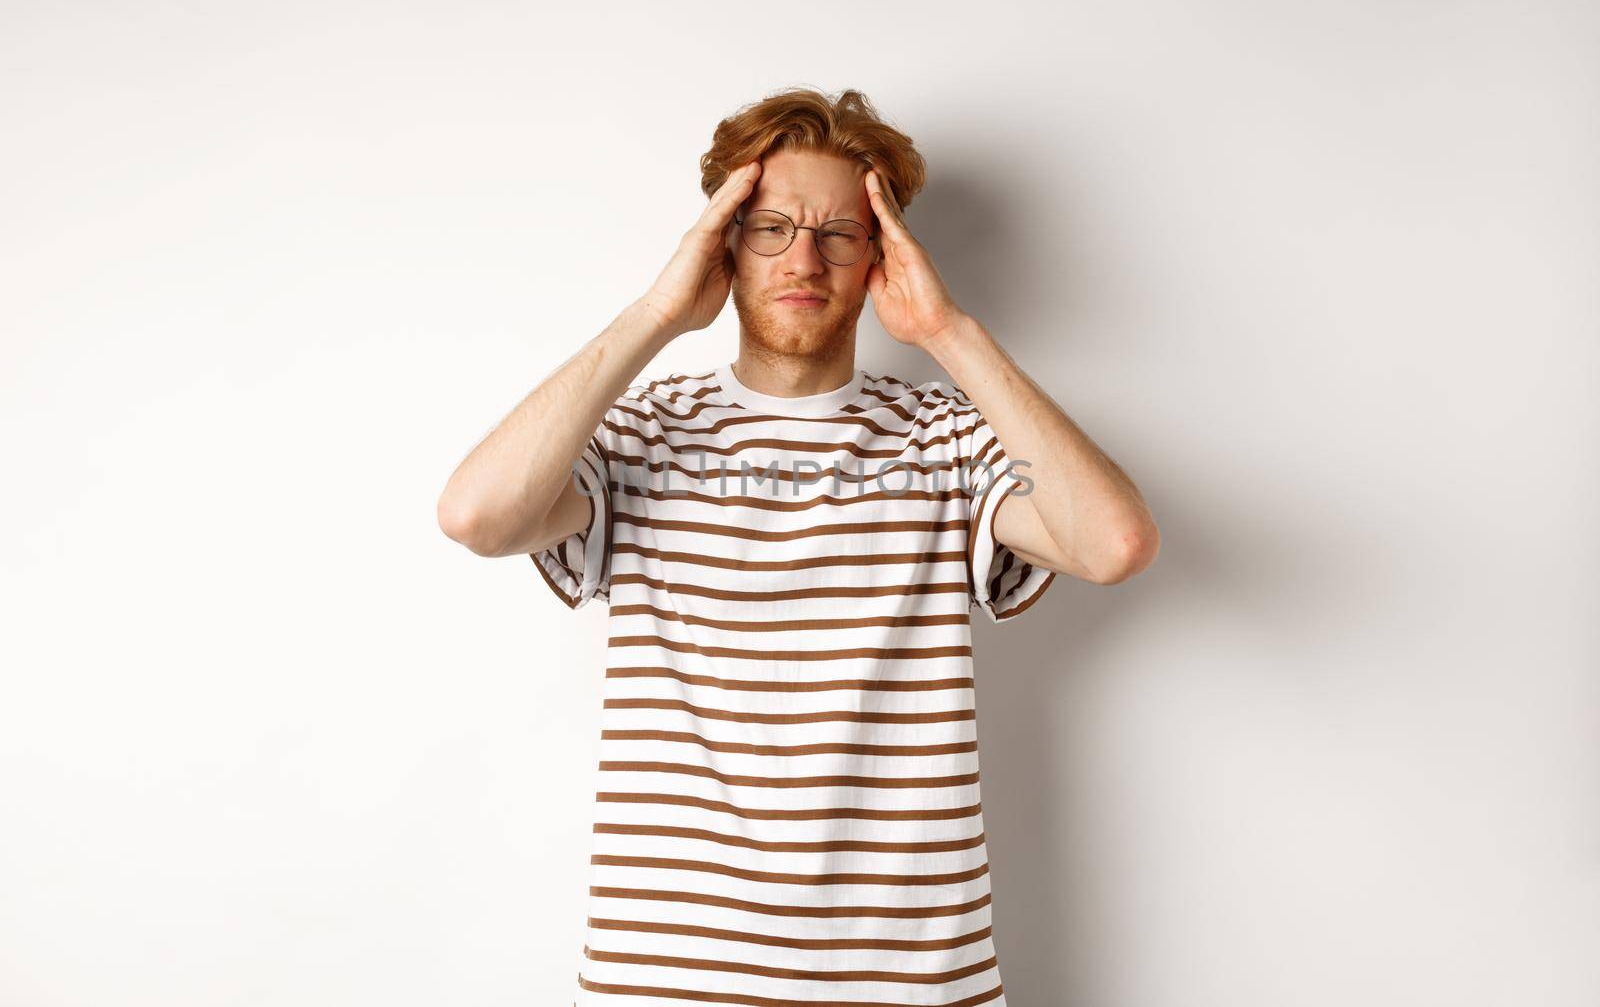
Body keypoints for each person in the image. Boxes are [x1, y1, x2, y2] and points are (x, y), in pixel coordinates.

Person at [437, 86, 1159, 1005]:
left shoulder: (943, 438)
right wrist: (658, 312)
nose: (802, 259)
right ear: (725, 245)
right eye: (769, 227)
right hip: (667, 978)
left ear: (879, 257)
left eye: (839, 234)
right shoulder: (646, 433)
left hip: (909, 983)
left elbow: (1116, 542)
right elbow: (475, 516)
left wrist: (947, 331)